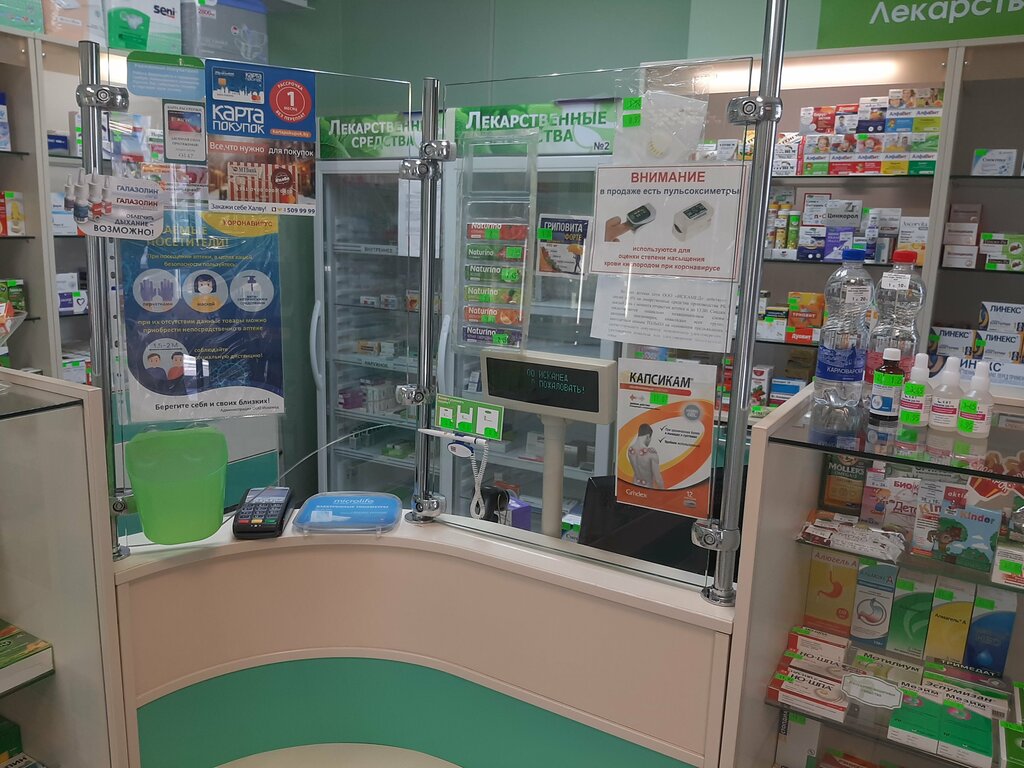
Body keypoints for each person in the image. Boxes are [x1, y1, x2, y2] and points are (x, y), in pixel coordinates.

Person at [627, 423, 664, 490]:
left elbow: (637, 470)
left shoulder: (630, 450)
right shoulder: (651, 453)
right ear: (648, 436)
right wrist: (664, 493)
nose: (649, 441)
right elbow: (658, 479)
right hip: (647, 490)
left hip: (634, 487)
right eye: (650, 438)